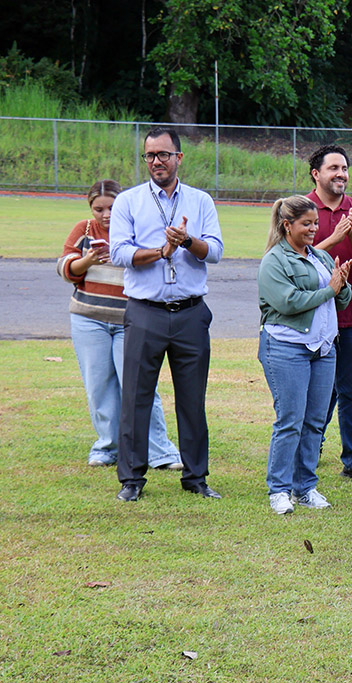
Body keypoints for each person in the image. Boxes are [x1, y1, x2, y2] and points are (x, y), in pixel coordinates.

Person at [109, 127, 225, 502]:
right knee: (136, 397)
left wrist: (186, 241)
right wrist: (161, 251)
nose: (156, 162)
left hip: (191, 312)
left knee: (192, 399)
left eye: (163, 155)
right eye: (150, 155)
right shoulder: (129, 201)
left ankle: (196, 477)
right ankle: (132, 479)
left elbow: (216, 251)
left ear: (179, 157)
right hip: (145, 311)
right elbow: (119, 253)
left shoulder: (200, 201)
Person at [58, 179, 183, 471]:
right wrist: (87, 261)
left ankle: (159, 451)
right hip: (89, 318)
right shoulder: (84, 231)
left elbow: (156, 262)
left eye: (111, 208)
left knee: (139, 385)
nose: (105, 215)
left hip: (131, 318)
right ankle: (108, 446)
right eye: (98, 209)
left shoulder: (136, 228)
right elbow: (65, 269)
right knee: (99, 385)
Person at [258, 195, 352, 515]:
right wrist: (330, 289)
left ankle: (305, 488)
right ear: (287, 225)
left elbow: (340, 300)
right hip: (286, 349)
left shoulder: (320, 256)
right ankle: (279, 490)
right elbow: (289, 303)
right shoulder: (274, 261)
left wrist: (342, 284)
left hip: (323, 349)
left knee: (314, 422)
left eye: (315, 223)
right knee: (290, 421)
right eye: (306, 224)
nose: (314, 229)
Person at [307, 145, 352, 483]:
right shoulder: (302, 207)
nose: (341, 174)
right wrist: (335, 237)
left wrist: (351, 234)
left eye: (344, 169)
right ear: (316, 174)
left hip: (349, 317)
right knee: (314, 392)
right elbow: (292, 257)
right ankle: (308, 452)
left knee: (350, 391)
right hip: (310, 316)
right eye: (333, 168)